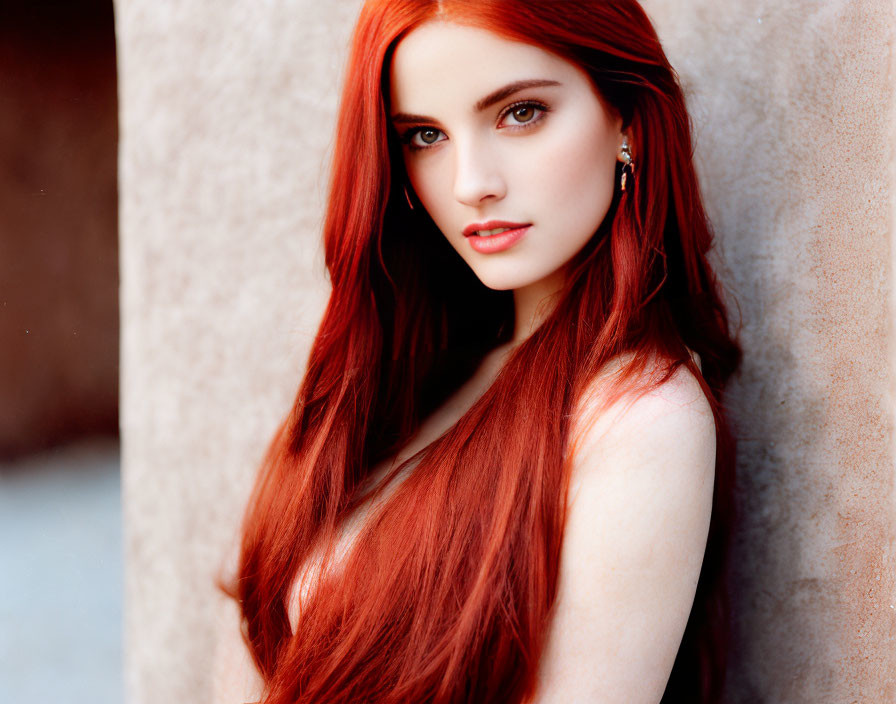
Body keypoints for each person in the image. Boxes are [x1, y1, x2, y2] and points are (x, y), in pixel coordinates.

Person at [219, 1, 742, 702]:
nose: (471, 183)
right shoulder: (399, 381)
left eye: (520, 113)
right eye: (426, 135)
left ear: (628, 119)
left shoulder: (639, 419)